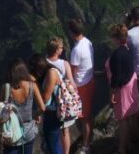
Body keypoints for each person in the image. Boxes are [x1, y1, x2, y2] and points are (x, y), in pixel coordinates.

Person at [106, 23, 139, 154]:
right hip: (131, 83)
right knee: (130, 115)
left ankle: (122, 148)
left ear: (115, 38)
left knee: (122, 119)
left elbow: (116, 77)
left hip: (122, 88)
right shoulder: (128, 49)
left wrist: (112, 92)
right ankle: (129, 143)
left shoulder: (116, 55)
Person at [0, 59, 45, 154]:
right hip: (28, 131)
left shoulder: (6, 88)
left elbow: (0, 108)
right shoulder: (32, 86)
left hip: (11, 132)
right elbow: (42, 108)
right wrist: (34, 115)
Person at [68, 18, 95, 154]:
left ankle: (86, 145)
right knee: (88, 115)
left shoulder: (76, 51)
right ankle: (88, 139)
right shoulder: (88, 42)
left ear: (72, 33)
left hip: (81, 86)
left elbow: (72, 72)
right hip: (90, 80)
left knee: (84, 118)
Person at [45, 37, 75, 154]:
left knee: (51, 132)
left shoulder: (44, 63)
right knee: (65, 131)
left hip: (48, 104)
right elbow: (71, 82)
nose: (62, 49)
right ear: (57, 50)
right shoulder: (64, 64)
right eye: (61, 47)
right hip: (62, 103)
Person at [31, 56, 63, 154]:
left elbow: (45, 98)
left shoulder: (51, 73)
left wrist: (36, 113)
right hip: (50, 112)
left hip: (53, 113)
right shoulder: (48, 73)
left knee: (53, 144)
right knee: (51, 143)